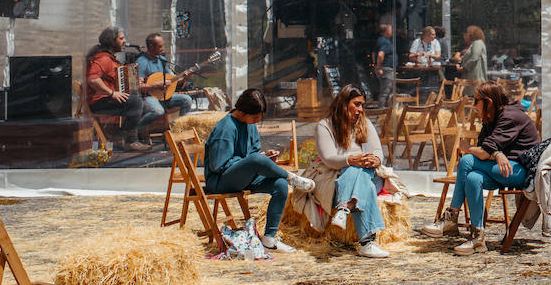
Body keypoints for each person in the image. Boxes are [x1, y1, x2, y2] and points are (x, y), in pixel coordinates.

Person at [422, 81, 540, 254]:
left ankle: (452, 215)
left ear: (489, 102)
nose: (473, 104)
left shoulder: (509, 116)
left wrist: (470, 149)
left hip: (523, 171)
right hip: (503, 168)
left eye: (476, 100)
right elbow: (485, 150)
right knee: (473, 177)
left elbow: (482, 152)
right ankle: (477, 237)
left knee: (467, 160)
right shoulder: (491, 117)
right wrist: (496, 154)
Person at [204, 88, 316, 252]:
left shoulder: (249, 124)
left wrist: (265, 158)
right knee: (258, 161)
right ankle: (291, 177)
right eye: (255, 116)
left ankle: (269, 239)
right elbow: (218, 164)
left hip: (242, 177)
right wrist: (253, 162)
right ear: (243, 112)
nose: (257, 120)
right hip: (220, 181)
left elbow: (253, 153)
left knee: (279, 185)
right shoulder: (225, 128)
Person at [292, 85, 390, 258]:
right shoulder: (325, 125)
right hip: (338, 176)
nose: (360, 110)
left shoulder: (365, 123)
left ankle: (344, 208)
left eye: (362, 105)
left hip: (368, 175)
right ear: (344, 103)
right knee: (357, 174)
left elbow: (378, 151)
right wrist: (350, 160)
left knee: (361, 172)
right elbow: (328, 157)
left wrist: (376, 159)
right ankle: (368, 242)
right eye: (357, 104)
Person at [86, 26, 154, 150]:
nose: (124, 41)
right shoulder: (103, 59)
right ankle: (130, 141)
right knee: (136, 103)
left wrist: (133, 80)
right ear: (112, 41)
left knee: (143, 105)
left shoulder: (110, 58)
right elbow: (93, 79)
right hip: (98, 102)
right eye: (121, 38)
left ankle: (118, 135)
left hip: (105, 99)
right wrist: (112, 93)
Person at [137, 33, 194, 120]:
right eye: (160, 46)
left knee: (187, 100)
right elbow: (139, 86)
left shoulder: (162, 60)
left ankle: (179, 128)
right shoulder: (142, 62)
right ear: (151, 47)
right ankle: (135, 129)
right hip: (148, 97)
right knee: (158, 111)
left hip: (164, 96)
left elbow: (172, 80)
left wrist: (185, 77)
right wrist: (157, 85)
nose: (163, 49)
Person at [374, 23, 397, 108]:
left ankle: (388, 109)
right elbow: (380, 54)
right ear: (386, 31)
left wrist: (375, 65)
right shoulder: (385, 41)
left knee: (388, 90)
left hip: (386, 68)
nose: (392, 31)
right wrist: (379, 67)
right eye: (390, 29)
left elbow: (373, 53)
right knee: (385, 90)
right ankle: (381, 110)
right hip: (386, 69)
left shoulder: (381, 40)